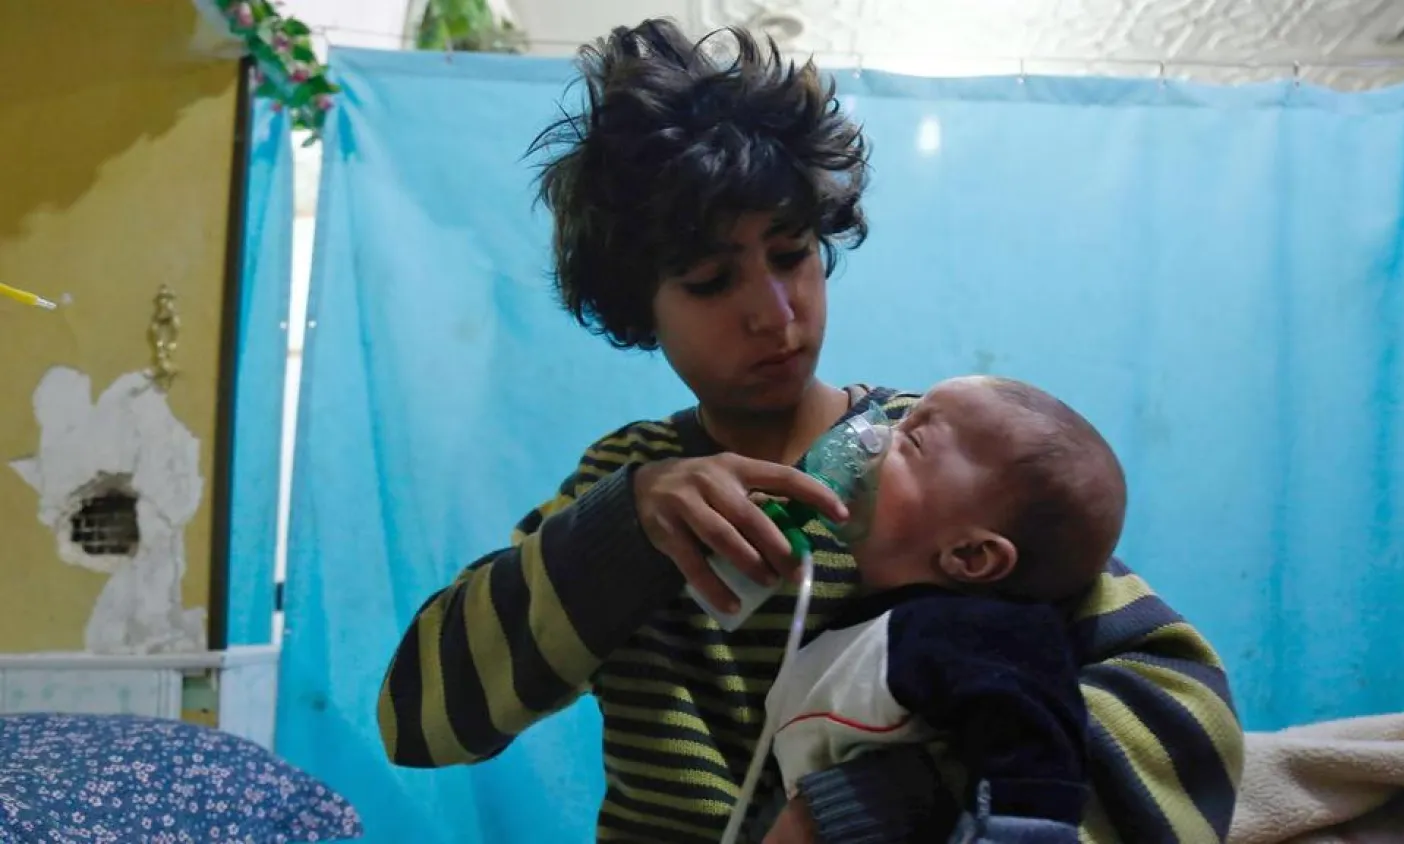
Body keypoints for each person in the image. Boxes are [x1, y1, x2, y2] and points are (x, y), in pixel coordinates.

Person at [377, 18, 1244, 844]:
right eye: (714, 281)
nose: (776, 313)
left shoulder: (938, 470)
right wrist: (624, 528)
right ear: (640, 308)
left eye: (792, 255)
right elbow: (417, 723)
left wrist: (904, 797)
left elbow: (1189, 714)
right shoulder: (629, 486)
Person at [765, 376, 1126, 843]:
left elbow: (1032, 738)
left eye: (910, 439)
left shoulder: (970, 632)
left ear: (971, 556)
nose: (872, 434)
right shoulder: (851, 632)